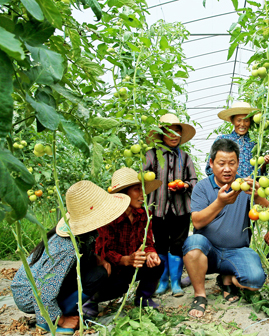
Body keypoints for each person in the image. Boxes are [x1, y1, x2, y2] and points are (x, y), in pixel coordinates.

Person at [11, 181, 130, 334]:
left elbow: (84, 254)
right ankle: (51, 319)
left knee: (113, 280)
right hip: (31, 295)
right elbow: (43, 291)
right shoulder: (66, 248)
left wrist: (97, 258)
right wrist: (61, 320)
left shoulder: (84, 234)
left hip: (46, 287)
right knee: (97, 276)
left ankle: (75, 305)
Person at [183, 138, 269, 318]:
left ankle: (227, 278)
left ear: (238, 163)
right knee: (193, 243)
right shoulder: (202, 187)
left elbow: (267, 210)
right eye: (221, 163)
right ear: (212, 163)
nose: (227, 168)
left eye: (232, 163)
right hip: (210, 252)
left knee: (255, 281)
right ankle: (200, 295)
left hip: (237, 251)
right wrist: (220, 203)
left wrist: (258, 196)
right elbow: (197, 222)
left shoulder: (244, 186)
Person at [83, 167, 164, 317]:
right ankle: (92, 299)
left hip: (132, 264)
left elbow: (146, 241)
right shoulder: (107, 218)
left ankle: (143, 298)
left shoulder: (144, 215)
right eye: (137, 190)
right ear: (123, 194)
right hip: (112, 269)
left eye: (143, 190)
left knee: (158, 263)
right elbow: (102, 250)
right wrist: (125, 260)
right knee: (116, 285)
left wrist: (150, 252)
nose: (142, 195)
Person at [144, 113, 198, 297]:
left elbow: (194, 180)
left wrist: (185, 186)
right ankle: (162, 280)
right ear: (161, 134)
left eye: (177, 132)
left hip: (181, 210)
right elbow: (143, 179)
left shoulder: (185, 157)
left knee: (177, 245)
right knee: (160, 245)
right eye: (169, 131)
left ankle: (175, 282)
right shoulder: (151, 155)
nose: (174, 135)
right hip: (157, 209)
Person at [205, 102, 269, 178]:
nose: (242, 124)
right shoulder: (222, 140)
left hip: (249, 188)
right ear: (232, 121)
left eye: (246, 120)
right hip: (226, 187)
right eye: (239, 120)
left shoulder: (255, 144)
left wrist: (264, 163)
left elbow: (259, 175)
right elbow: (210, 168)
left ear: (250, 122)